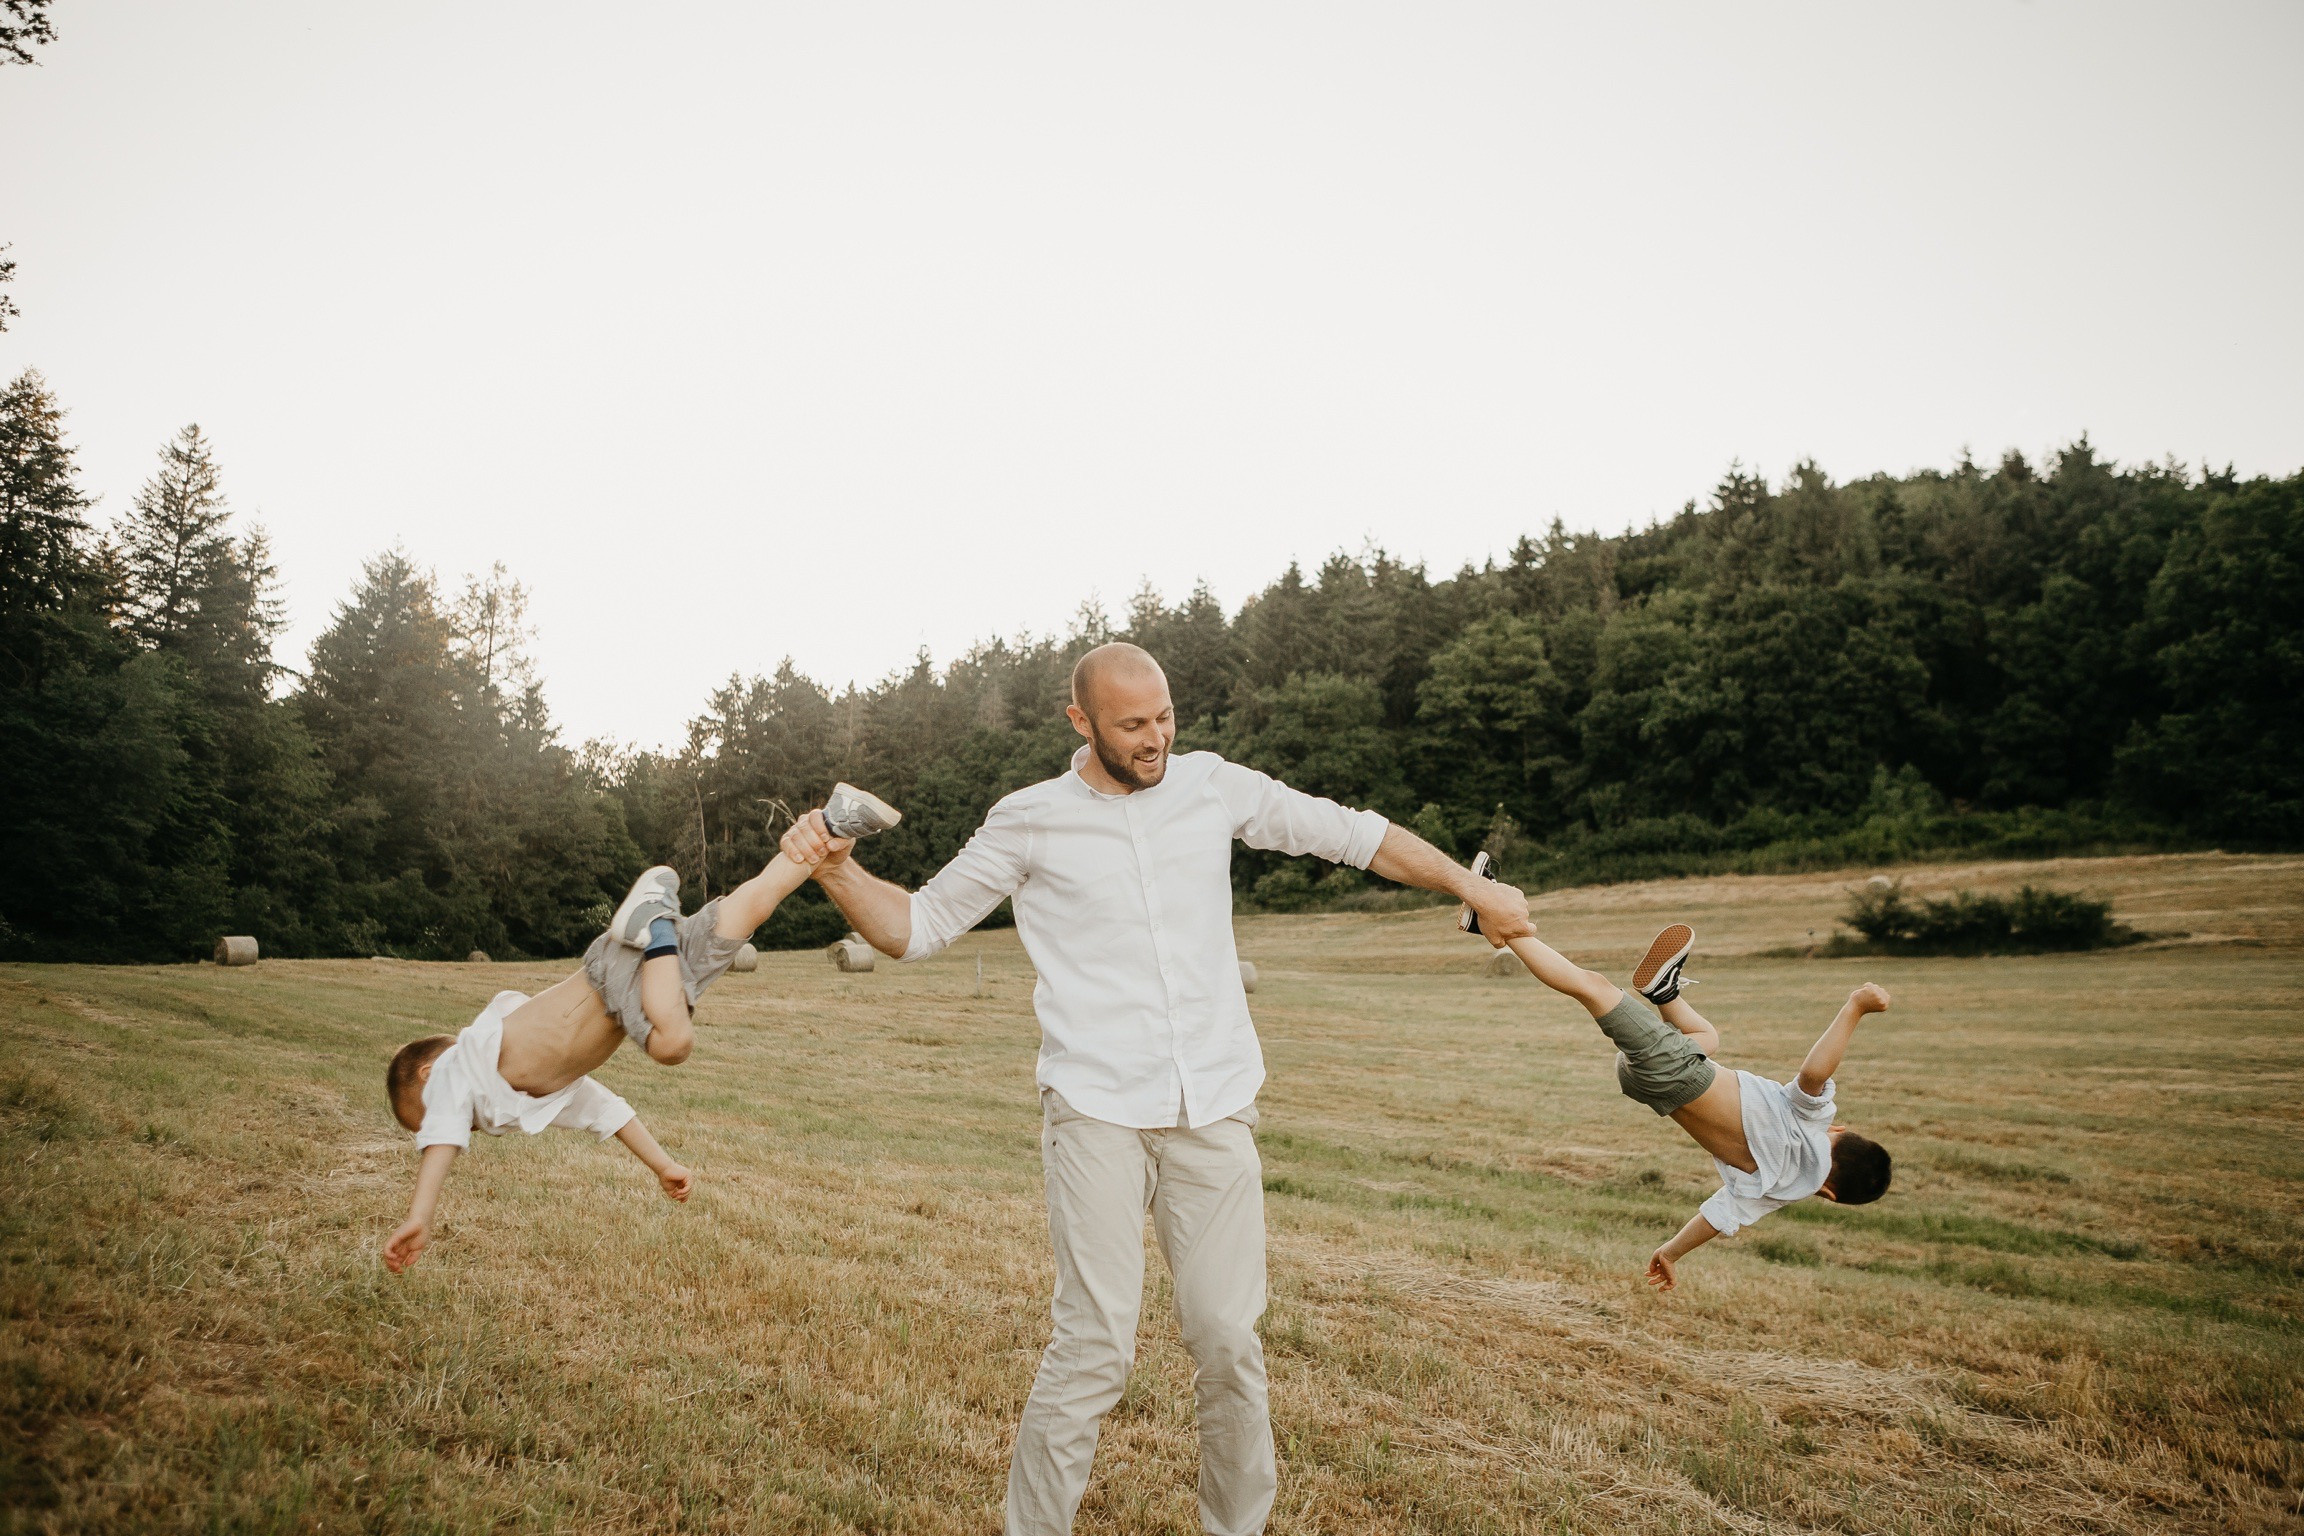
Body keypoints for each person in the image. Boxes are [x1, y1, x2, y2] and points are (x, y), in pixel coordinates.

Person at [778, 643, 1529, 1536]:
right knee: (1093, 1349)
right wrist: (833, 868)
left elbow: (1354, 834)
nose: (1156, 737)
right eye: (1132, 724)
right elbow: (920, 926)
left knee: (1228, 1343)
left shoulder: (1214, 786)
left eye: (1165, 716)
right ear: (1080, 721)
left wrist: (1468, 883)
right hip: (1095, 1110)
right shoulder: (1027, 820)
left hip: (1214, 1108)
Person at [380, 786, 902, 1275]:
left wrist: (421, 1215)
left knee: (672, 1044)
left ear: (430, 1071)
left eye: (422, 1120)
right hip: (651, 977)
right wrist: (663, 1165)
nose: (450, 1129)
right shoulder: (528, 1098)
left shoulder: (464, 1064)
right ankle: (836, 821)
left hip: (612, 977)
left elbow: (442, 1130)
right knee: (752, 905)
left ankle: (652, 921)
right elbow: (608, 1113)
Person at [1480, 917, 1895, 1288]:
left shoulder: (1813, 1122)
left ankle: (1501, 922)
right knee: (1708, 1039)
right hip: (1651, 1089)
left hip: (1677, 1069)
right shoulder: (1773, 1191)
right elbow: (1715, 1219)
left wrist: (1854, 1007)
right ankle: (1663, 992)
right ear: (1828, 1194)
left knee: (1593, 986)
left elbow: (1813, 1075)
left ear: (1837, 1131)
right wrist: (1671, 1252)